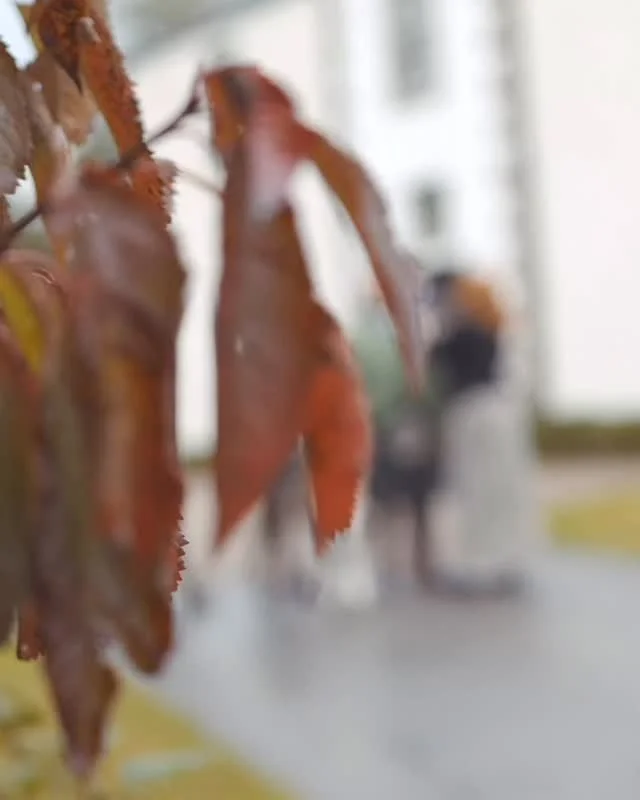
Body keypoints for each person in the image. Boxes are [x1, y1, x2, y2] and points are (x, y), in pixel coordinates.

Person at [420, 267, 542, 596]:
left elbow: (434, 370)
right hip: (498, 415)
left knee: (476, 492)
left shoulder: (462, 336)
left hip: (473, 416)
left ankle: (481, 563)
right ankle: (502, 560)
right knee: (496, 492)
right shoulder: (493, 332)